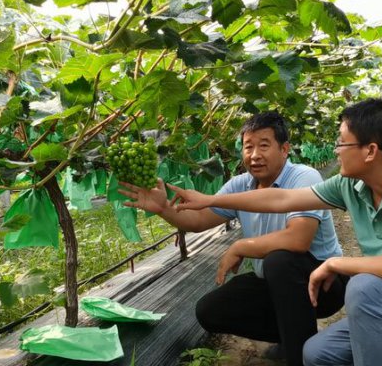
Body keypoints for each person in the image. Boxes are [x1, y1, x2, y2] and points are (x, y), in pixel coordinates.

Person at [162, 99, 382, 366]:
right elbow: (280, 197)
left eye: (342, 144)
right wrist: (210, 199)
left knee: (366, 287)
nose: (336, 151)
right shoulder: (350, 187)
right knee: (317, 354)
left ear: (370, 151)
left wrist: (337, 264)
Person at [120, 111, 347, 366]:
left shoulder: (304, 177)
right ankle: (293, 333)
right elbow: (199, 220)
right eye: (248, 147)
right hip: (274, 282)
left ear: (285, 149)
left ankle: (300, 356)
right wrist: (163, 208)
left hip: (324, 283)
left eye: (264, 145)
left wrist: (241, 245)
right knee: (210, 310)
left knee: (280, 260)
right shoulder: (240, 185)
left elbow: (298, 240)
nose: (254, 155)